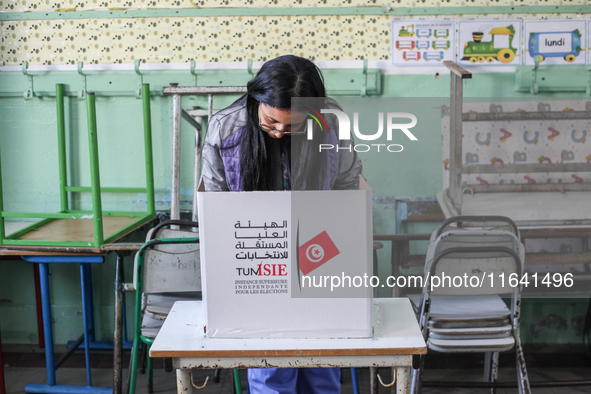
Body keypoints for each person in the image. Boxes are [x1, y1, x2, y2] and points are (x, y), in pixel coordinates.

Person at [201, 55, 362, 393]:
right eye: (271, 121)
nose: (278, 133)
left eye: (292, 126)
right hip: (258, 256)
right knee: (271, 369)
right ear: (256, 100)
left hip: (319, 251)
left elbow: (348, 187)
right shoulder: (225, 127)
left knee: (324, 364)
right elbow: (214, 208)